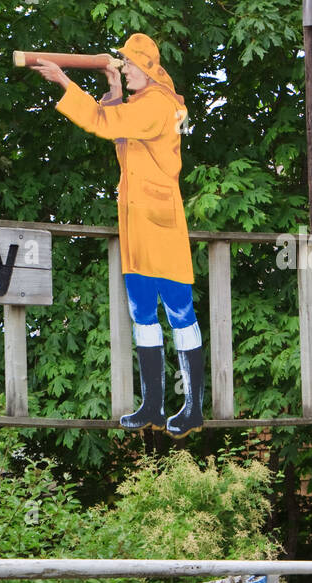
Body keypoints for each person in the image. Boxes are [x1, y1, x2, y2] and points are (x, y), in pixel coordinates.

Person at [31, 33, 203, 437]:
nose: (123, 69)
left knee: (179, 311)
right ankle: (153, 406)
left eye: (127, 64)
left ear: (146, 67)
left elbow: (105, 124)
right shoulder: (144, 104)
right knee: (143, 312)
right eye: (121, 63)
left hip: (160, 224)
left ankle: (193, 407)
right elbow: (121, 136)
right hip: (136, 224)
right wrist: (110, 89)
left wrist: (64, 82)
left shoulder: (158, 105)